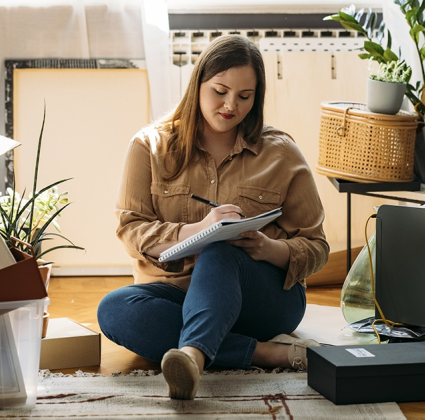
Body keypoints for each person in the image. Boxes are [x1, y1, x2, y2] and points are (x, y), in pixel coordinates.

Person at [97, 34, 329, 400]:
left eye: (244, 96)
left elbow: (316, 246)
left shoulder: (281, 153)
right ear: (198, 84)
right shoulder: (148, 147)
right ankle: (266, 353)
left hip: (261, 300)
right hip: (176, 296)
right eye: (220, 91)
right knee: (114, 311)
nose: (230, 106)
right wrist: (198, 229)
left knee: (220, 251)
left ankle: (192, 355)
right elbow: (131, 229)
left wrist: (267, 248)